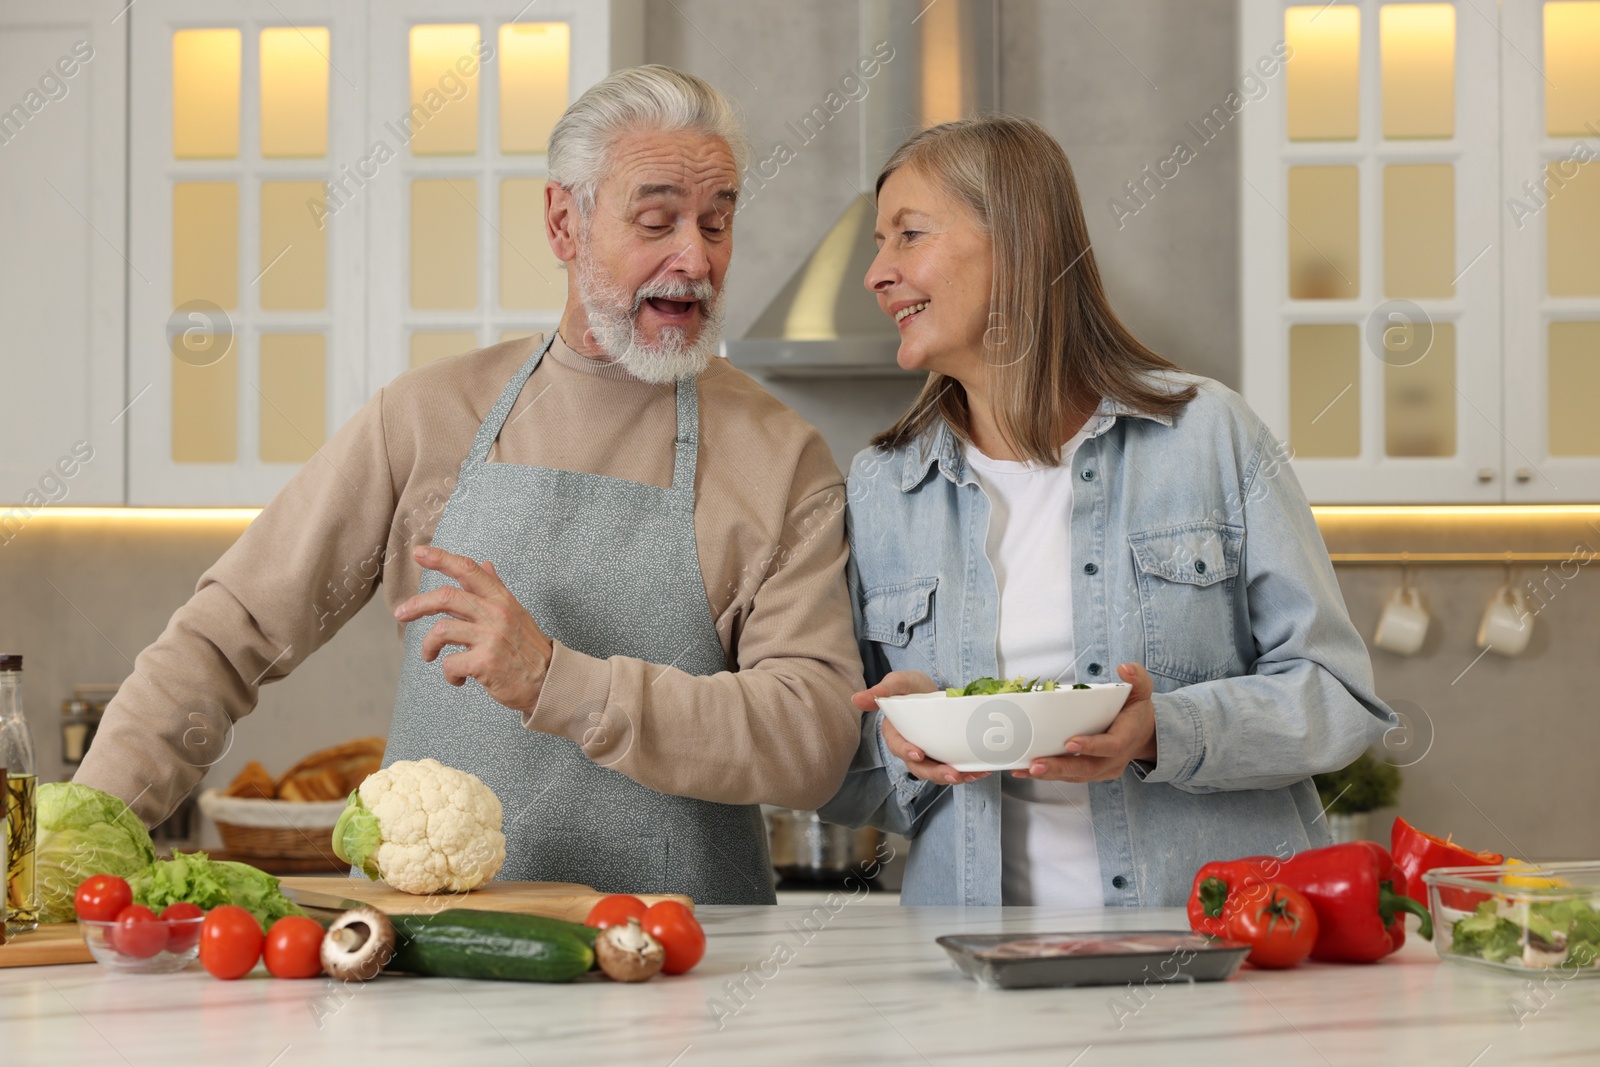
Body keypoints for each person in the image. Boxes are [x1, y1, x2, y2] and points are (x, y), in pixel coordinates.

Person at [76, 66, 866, 905]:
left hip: (683, 975)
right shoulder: (428, 416)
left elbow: (812, 736)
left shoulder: (779, 459)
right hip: (420, 965)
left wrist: (559, 681)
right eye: (657, 219)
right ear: (566, 222)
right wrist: (77, 839)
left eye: (717, 222)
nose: (696, 257)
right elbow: (225, 633)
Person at [818, 116, 1394, 907]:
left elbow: (1338, 699)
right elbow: (839, 770)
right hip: (974, 967)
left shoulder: (1208, 436)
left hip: (1212, 946)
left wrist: (1165, 730)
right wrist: (896, 738)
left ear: (1018, 240)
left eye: (908, 235)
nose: (877, 273)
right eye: (880, 244)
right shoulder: (883, 485)